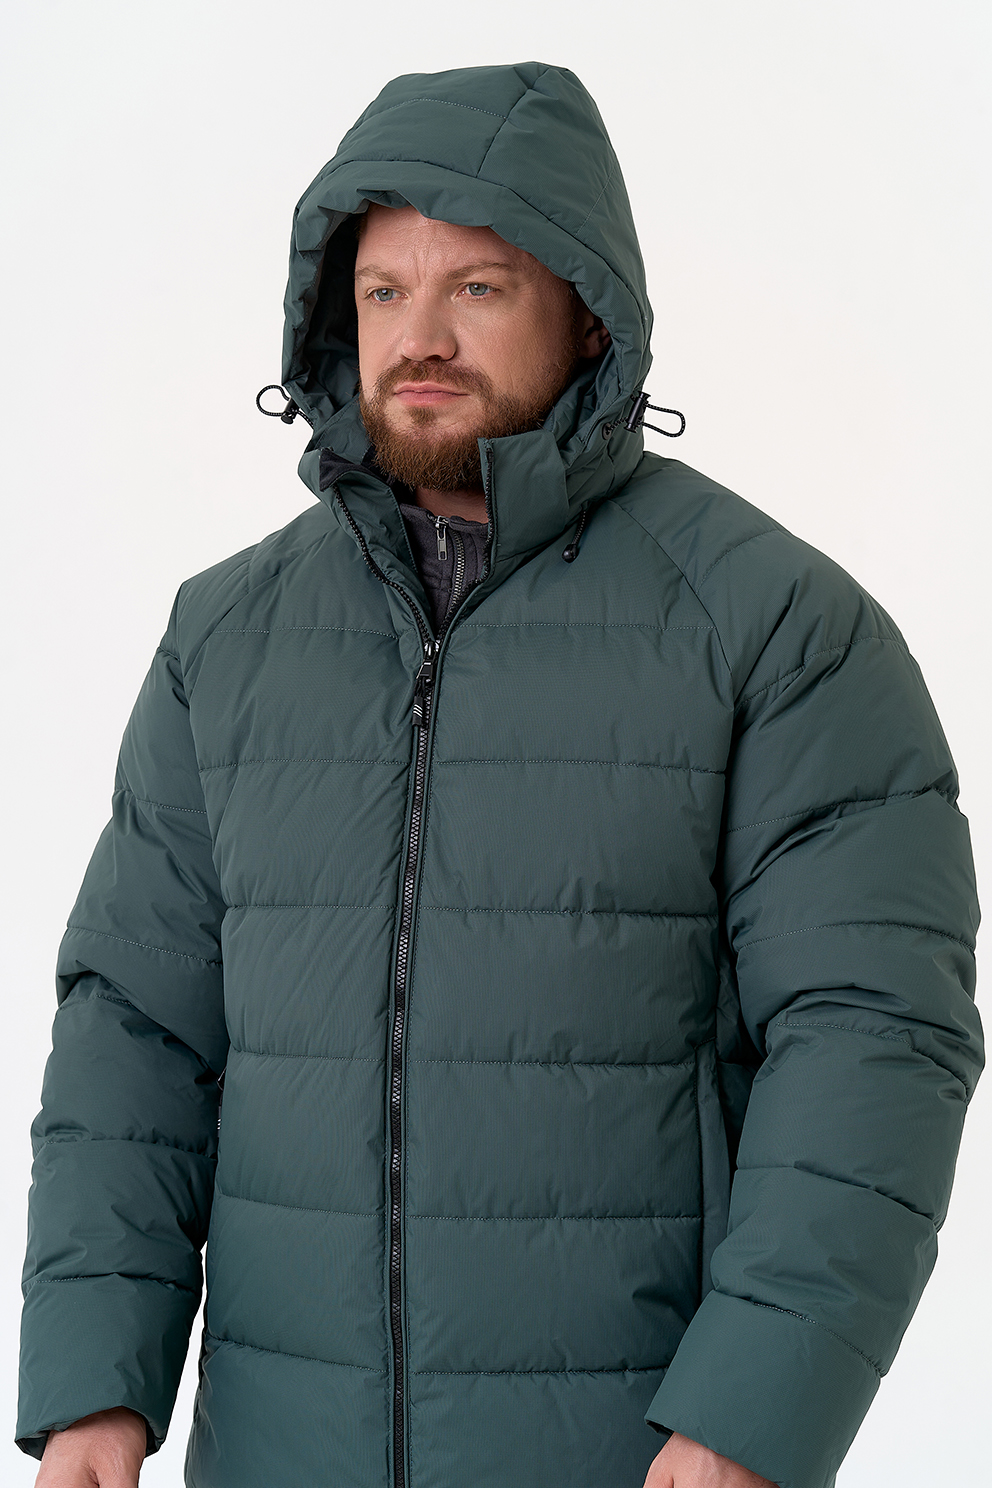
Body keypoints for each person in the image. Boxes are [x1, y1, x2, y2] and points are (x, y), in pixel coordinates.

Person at [16, 60, 982, 1488]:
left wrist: (751, 1413)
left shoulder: (777, 628)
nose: (421, 337)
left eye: (477, 287)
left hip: (631, 1453)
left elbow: (872, 1034)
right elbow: (136, 1031)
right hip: (282, 1451)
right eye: (383, 291)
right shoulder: (225, 637)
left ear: (586, 310)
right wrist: (96, 1384)